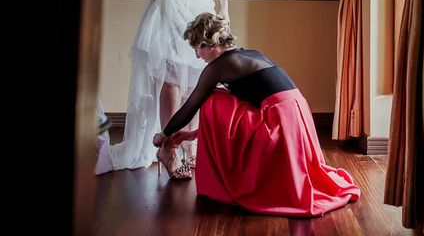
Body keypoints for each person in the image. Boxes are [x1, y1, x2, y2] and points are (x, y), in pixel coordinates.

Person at [152, 13, 361, 216]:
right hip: (296, 113)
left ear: (210, 43)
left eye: (197, 48)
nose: (197, 55)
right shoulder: (249, 53)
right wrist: (195, 133)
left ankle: (230, 178)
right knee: (220, 94)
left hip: (279, 119)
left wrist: (164, 134)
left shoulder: (218, 67)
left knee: (212, 98)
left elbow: (190, 107)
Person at [109, 0, 246, 177]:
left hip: (201, 3)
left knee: (197, 78)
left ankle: (189, 146)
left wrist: (225, 7)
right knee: (172, 75)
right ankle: (168, 148)